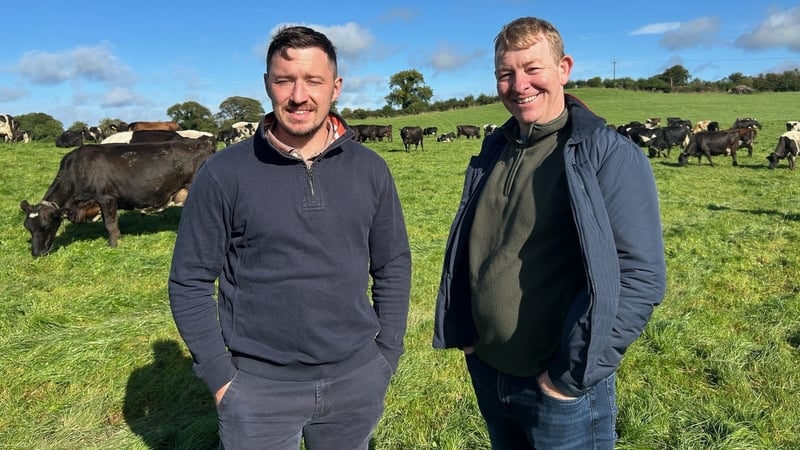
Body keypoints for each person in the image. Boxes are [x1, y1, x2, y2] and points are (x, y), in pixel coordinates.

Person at [168, 25, 412, 450]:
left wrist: (386, 355)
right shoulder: (223, 173)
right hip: (258, 389)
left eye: (314, 81)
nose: (299, 95)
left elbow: (392, 264)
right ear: (267, 85)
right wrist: (220, 377)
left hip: (357, 380)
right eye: (285, 80)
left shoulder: (371, 169)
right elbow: (189, 280)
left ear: (335, 87)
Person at [432, 16, 667, 450]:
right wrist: (467, 340)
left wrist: (566, 378)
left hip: (559, 392)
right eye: (506, 73)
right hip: (489, 372)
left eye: (532, 68)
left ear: (564, 68)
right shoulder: (496, 149)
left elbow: (640, 278)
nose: (519, 84)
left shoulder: (606, 153)